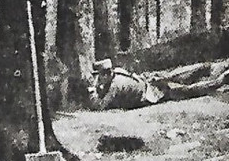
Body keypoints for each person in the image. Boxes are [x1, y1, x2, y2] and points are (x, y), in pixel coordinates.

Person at [87, 58, 229, 110]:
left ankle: (220, 80)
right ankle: (211, 67)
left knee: (186, 90)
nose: (98, 79)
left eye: (99, 76)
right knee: (179, 75)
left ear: (105, 74)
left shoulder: (115, 86)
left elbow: (99, 106)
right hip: (149, 81)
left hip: (152, 93)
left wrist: (94, 88)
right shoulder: (117, 71)